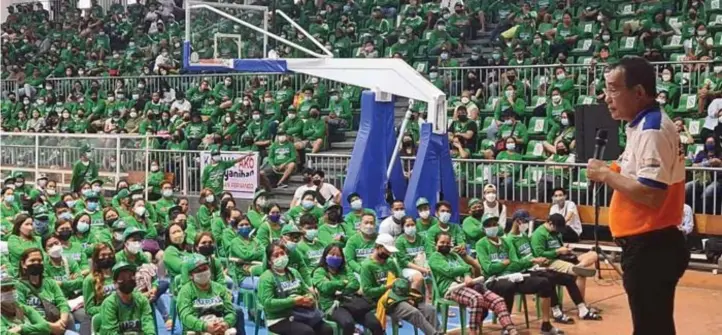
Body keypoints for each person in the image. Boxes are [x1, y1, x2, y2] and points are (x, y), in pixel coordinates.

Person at [588, 57, 690, 335]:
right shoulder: (640, 125)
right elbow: (635, 178)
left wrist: (606, 175)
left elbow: (652, 194)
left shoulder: (651, 130)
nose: (607, 98)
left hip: (651, 247)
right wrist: (608, 170)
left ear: (639, 92)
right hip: (649, 245)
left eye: (613, 89)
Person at [503, 212, 601, 323]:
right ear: (518, 222)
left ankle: (582, 309)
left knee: (568, 279)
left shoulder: (524, 235)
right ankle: (556, 312)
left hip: (536, 266)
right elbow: (515, 262)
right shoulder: (509, 240)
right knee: (548, 279)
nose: (527, 224)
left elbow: (532, 253)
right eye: (525, 221)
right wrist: (534, 260)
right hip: (526, 270)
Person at [475, 216, 565, 335]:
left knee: (544, 282)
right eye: (489, 226)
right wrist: (504, 264)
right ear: (484, 228)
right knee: (508, 286)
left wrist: (528, 262)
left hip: (515, 275)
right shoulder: (481, 244)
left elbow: (515, 263)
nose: (493, 227)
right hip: (494, 280)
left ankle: (546, 325)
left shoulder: (505, 242)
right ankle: (506, 326)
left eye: (494, 224)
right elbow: (489, 269)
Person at [430, 231, 518, 335]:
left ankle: (511, 330)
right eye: (442, 242)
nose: (445, 245)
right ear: (435, 244)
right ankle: (473, 332)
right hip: (450, 289)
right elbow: (450, 271)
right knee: (476, 298)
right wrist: (466, 269)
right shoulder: (434, 258)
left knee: (498, 300)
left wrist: (467, 275)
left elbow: (468, 270)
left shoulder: (454, 255)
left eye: (447, 242)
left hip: (467, 285)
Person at [359, 233, 441, 335]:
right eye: (387, 250)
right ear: (378, 247)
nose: (389, 254)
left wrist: (407, 296)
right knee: (414, 312)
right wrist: (387, 287)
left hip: (399, 297)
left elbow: (400, 280)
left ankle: (438, 332)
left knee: (430, 310)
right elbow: (367, 291)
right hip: (383, 300)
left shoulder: (390, 263)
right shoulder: (367, 266)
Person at [257, 242, 333, 335]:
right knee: (307, 332)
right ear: (269, 261)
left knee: (326, 329)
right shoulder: (266, 277)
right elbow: (267, 303)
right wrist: (293, 301)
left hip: (300, 313)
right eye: (276, 255)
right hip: (279, 318)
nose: (280, 257)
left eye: (282, 253)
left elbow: (305, 290)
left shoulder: (294, 272)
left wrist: (309, 298)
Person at [312, 244, 384, 335]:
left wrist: (340, 290)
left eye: (338, 255)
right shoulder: (319, 271)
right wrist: (344, 282)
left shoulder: (345, 269)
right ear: (325, 256)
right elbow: (325, 287)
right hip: (333, 306)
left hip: (351, 303)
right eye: (332, 254)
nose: (335, 257)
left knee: (375, 323)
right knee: (348, 323)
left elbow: (355, 284)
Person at [531, 214, 597, 300]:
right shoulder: (539, 234)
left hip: (563, 257)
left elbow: (559, 246)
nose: (558, 231)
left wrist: (566, 249)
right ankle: (582, 305)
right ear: (550, 223)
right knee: (581, 274)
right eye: (557, 228)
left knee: (593, 254)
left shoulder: (557, 233)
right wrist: (557, 251)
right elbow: (539, 254)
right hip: (550, 261)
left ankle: (579, 266)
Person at [176, 256, 244, 335]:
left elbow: (230, 312)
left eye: (205, 269)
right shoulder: (185, 291)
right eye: (198, 271)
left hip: (219, 326)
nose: (202, 272)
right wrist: (205, 327)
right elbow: (186, 316)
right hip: (197, 329)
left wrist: (226, 323)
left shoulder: (219, 288)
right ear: (191, 275)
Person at [15, 248, 76, 335]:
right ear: (23, 264)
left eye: (39, 260)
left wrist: (62, 321)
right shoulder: (18, 286)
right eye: (32, 260)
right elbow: (21, 312)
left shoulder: (50, 283)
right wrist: (50, 327)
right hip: (35, 329)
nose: (36, 263)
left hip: (56, 325)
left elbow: (63, 303)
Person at [98, 262, 156, 335]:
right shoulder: (109, 304)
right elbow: (111, 332)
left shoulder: (141, 299)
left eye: (130, 276)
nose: (128, 280)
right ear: (115, 283)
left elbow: (148, 323)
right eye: (123, 277)